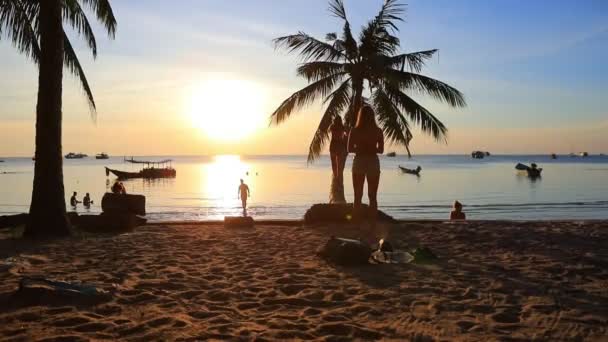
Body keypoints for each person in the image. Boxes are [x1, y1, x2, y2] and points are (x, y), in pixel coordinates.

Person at [347, 105, 384, 228]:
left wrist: (361, 148)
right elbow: (381, 150)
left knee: (358, 195)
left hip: (360, 161)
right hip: (372, 161)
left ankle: (357, 222)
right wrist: (371, 148)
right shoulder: (378, 131)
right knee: (372, 195)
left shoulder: (355, 130)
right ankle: (372, 223)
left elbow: (349, 148)